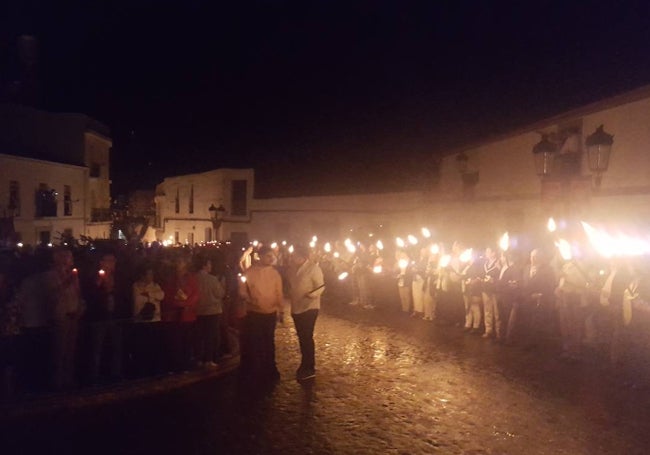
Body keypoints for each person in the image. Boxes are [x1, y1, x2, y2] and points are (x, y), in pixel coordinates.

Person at [238, 246, 283, 383]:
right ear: (261, 256)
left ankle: (270, 367)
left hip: (270, 312)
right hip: (254, 312)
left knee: (269, 341)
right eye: (268, 256)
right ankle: (255, 368)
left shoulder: (275, 274)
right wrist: (248, 298)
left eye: (272, 256)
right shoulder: (250, 272)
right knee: (255, 341)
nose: (271, 259)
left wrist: (281, 310)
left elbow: (279, 293)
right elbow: (242, 290)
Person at [287, 245, 325, 381]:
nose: (292, 258)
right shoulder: (292, 269)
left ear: (303, 257)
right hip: (296, 307)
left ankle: (309, 366)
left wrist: (312, 295)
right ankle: (304, 363)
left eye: (295, 256)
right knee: (302, 337)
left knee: (307, 337)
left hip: (310, 308)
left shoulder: (314, 269)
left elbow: (321, 286)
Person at [131, 264, 165, 376]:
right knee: (142, 347)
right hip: (141, 321)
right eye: (149, 274)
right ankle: (142, 370)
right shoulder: (136, 286)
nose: (151, 276)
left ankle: (153, 369)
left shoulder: (155, 285)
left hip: (155, 319)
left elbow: (161, 296)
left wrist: (149, 295)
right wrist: (152, 297)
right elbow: (138, 301)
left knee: (154, 346)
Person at [194, 255, 226, 369]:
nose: (211, 266)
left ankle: (199, 359)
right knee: (211, 336)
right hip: (212, 311)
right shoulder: (212, 279)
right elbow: (220, 294)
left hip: (198, 311)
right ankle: (209, 359)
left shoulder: (194, 278)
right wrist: (222, 285)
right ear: (205, 265)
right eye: (209, 264)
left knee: (200, 336)